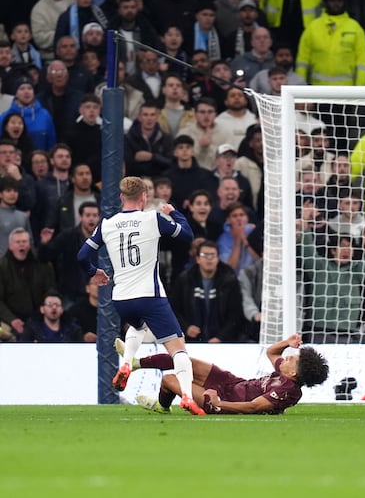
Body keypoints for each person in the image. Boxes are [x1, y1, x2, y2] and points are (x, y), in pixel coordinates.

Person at [76, 176, 204, 415]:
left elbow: (82, 256)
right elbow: (188, 236)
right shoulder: (152, 219)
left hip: (121, 298)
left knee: (138, 325)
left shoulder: (107, 224)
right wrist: (175, 213)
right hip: (150, 295)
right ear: (144, 197)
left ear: (121, 197)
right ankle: (187, 396)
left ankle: (126, 364)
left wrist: (95, 273)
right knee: (178, 350)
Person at [124, 333, 329, 415]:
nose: (290, 356)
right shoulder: (284, 373)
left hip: (226, 399)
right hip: (232, 383)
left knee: (170, 380)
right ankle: (134, 363)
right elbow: (271, 352)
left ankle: (162, 406)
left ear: (294, 372)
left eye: (294, 358)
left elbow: (253, 406)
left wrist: (218, 402)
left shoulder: (287, 390)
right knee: (183, 360)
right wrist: (287, 342)